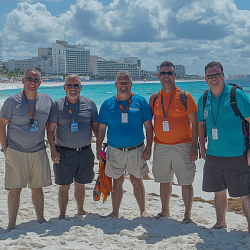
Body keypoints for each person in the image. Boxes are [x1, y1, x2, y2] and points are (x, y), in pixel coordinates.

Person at [198, 61, 250, 231]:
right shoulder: (204, 98)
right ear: (206, 79)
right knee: (218, 191)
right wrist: (202, 146)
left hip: (237, 154)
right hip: (214, 154)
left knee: (245, 195)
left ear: (223, 75)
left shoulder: (237, 95)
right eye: (210, 76)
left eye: (217, 74)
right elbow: (200, 123)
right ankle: (220, 223)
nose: (214, 78)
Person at [0, 69, 52, 231]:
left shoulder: (46, 99)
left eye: (35, 80)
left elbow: (51, 125)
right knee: (15, 190)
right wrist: (5, 149)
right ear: (23, 80)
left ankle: (40, 218)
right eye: (29, 79)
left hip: (39, 150)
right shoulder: (12, 101)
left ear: (40, 83)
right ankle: (11, 224)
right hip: (16, 151)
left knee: (37, 188)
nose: (32, 82)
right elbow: (1, 125)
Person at [96, 70, 153, 218]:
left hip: (137, 149)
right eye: (120, 82)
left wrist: (148, 148)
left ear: (131, 84)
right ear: (115, 84)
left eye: (126, 82)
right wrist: (98, 148)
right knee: (117, 181)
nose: (123, 85)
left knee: (137, 180)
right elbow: (101, 128)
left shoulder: (140, 102)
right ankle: (115, 212)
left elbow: (149, 127)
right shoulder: (107, 104)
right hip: (114, 150)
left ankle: (142, 211)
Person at [149, 61, 198, 223]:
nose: (166, 76)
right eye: (163, 73)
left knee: (186, 181)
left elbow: (195, 123)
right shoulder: (154, 98)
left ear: (175, 75)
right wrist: (148, 146)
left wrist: (194, 146)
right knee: (164, 180)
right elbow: (148, 123)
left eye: (169, 73)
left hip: (183, 145)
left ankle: (187, 215)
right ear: (159, 76)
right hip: (161, 145)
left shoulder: (185, 96)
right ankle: (165, 211)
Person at [47, 74, 98, 219]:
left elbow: (96, 128)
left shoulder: (90, 104)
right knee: (64, 186)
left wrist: (100, 148)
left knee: (81, 185)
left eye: (76, 85)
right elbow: (50, 130)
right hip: (63, 152)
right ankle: (62, 214)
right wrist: (53, 151)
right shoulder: (57, 105)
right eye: (69, 85)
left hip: (85, 152)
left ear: (81, 87)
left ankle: (80, 210)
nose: (73, 88)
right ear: (64, 87)